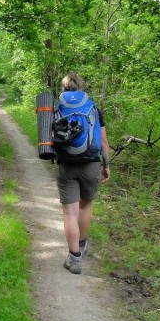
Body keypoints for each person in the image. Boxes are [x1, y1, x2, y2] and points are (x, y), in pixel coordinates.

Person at [56, 72, 111, 275]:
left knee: (70, 212)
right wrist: (106, 165)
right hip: (91, 163)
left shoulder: (59, 105)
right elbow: (103, 141)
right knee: (85, 206)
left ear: (64, 88)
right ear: (82, 86)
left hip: (66, 164)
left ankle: (74, 258)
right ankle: (82, 244)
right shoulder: (93, 107)